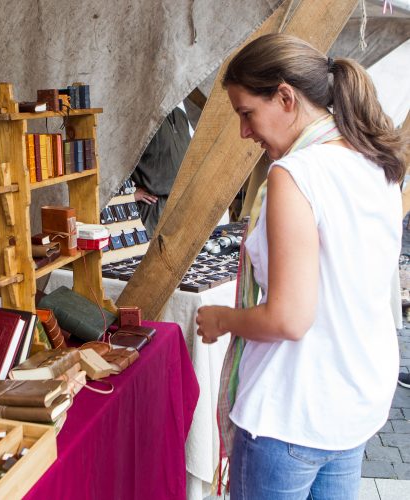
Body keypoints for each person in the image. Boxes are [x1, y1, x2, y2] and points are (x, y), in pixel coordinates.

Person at [195, 33, 406, 500]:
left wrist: (223, 320)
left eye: (246, 113)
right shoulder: (378, 162)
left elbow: (288, 318)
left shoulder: (296, 174)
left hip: (292, 407)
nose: (244, 132)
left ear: (286, 97)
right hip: (354, 399)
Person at [131, 107, 191, 237]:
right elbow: (116, 160)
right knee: (150, 253)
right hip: (153, 207)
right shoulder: (140, 117)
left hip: (181, 204)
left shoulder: (180, 115)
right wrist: (129, 194)